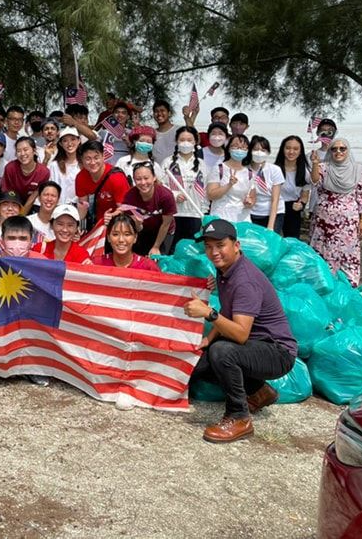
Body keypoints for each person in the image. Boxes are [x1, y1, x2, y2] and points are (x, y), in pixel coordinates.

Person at [185, 219, 297, 443]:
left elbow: (240, 334)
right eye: (208, 247)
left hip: (278, 352)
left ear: (236, 245)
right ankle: (259, 392)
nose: (214, 252)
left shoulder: (244, 281)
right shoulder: (225, 269)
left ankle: (239, 417)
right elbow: (229, 309)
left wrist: (208, 313)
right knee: (202, 361)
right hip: (256, 345)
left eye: (220, 245)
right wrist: (208, 338)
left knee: (221, 352)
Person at [309, 139, 362, 287]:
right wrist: (315, 163)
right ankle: (324, 286)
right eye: (334, 149)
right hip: (323, 223)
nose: (338, 152)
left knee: (347, 254)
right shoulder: (323, 168)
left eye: (342, 149)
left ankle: (348, 287)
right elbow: (314, 182)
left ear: (348, 150)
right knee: (322, 253)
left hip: (347, 224)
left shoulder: (358, 170)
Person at [122, 163, 177, 256]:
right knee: (139, 257)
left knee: (157, 258)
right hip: (143, 230)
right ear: (134, 180)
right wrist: (138, 224)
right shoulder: (130, 197)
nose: (143, 183)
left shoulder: (166, 196)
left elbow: (166, 224)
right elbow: (135, 227)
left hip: (164, 230)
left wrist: (156, 247)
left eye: (146, 178)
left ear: (154, 177)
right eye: (138, 179)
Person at [75, 140, 131, 228]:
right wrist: (76, 224)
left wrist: (112, 216)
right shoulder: (80, 177)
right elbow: (83, 207)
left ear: (103, 156)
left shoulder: (116, 178)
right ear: (82, 160)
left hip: (117, 223)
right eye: (88, 159)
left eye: (96, 158)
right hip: (96, 222)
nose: (93, 162)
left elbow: (125, 209)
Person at [166, 126, 206, 247]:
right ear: (176, 141)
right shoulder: (168, 162)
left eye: (189, 140)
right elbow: (162, 188)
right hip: (173, 215)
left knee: (192, 251)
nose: (185, 143)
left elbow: (206, 191)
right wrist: (174, 196)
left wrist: (203, 213)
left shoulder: (202, 165)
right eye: (182, 140)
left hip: (195, 215)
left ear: (195, 142)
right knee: (172, 250)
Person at [207, 134, 256, 223]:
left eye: (243, 147)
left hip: (242, 220)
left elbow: (252, 198)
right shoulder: (219, 168)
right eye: (236, 146)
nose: (239, 149)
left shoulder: (250, 173)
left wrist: (249, 202)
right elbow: (211, 195)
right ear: (229, 148)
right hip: (221, 217)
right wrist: (229, 185)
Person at [95, 211, 160, 271]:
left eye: (127, 234)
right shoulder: (96, 264)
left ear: (135, 238)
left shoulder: (148, 267)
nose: (121, 240)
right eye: (115, 234)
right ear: (108, 237)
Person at [245, 135, 284, 233]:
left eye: (263, 150)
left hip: (274, 212)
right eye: (255, 149)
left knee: (270, 239)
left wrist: (270, 226)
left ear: (268, 152)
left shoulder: (275, 170)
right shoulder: (244, 170)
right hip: (252, 212)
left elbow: (275, 199)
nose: (259, 153)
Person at [276, 135, 311, 239]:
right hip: (275, 207)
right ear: (282, 149)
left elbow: (305, 196)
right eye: (288, 148)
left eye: (295, 149)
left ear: (300, 151)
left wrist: (301, 205)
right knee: (273, 239)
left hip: (293, 208)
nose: (291, 152)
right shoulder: (275, 169)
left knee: (292, 240)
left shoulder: (304, 171)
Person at [1, 137, 50, 208]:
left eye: (25, 150)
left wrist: (22, 213)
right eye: (18, 151)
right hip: (11, 203)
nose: (22, 153)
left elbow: (33, 198)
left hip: (32, 205)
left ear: (34, 151)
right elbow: (7, 193)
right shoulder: (10, 168)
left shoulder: (44, 172)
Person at [46, 127, 81, 206]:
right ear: (61, 144)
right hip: (59, 207)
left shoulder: (84, 165)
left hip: (78, 208)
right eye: (65, 141)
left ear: (79, 141)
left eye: (73, 139)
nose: (69, 144)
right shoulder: (54, 165)